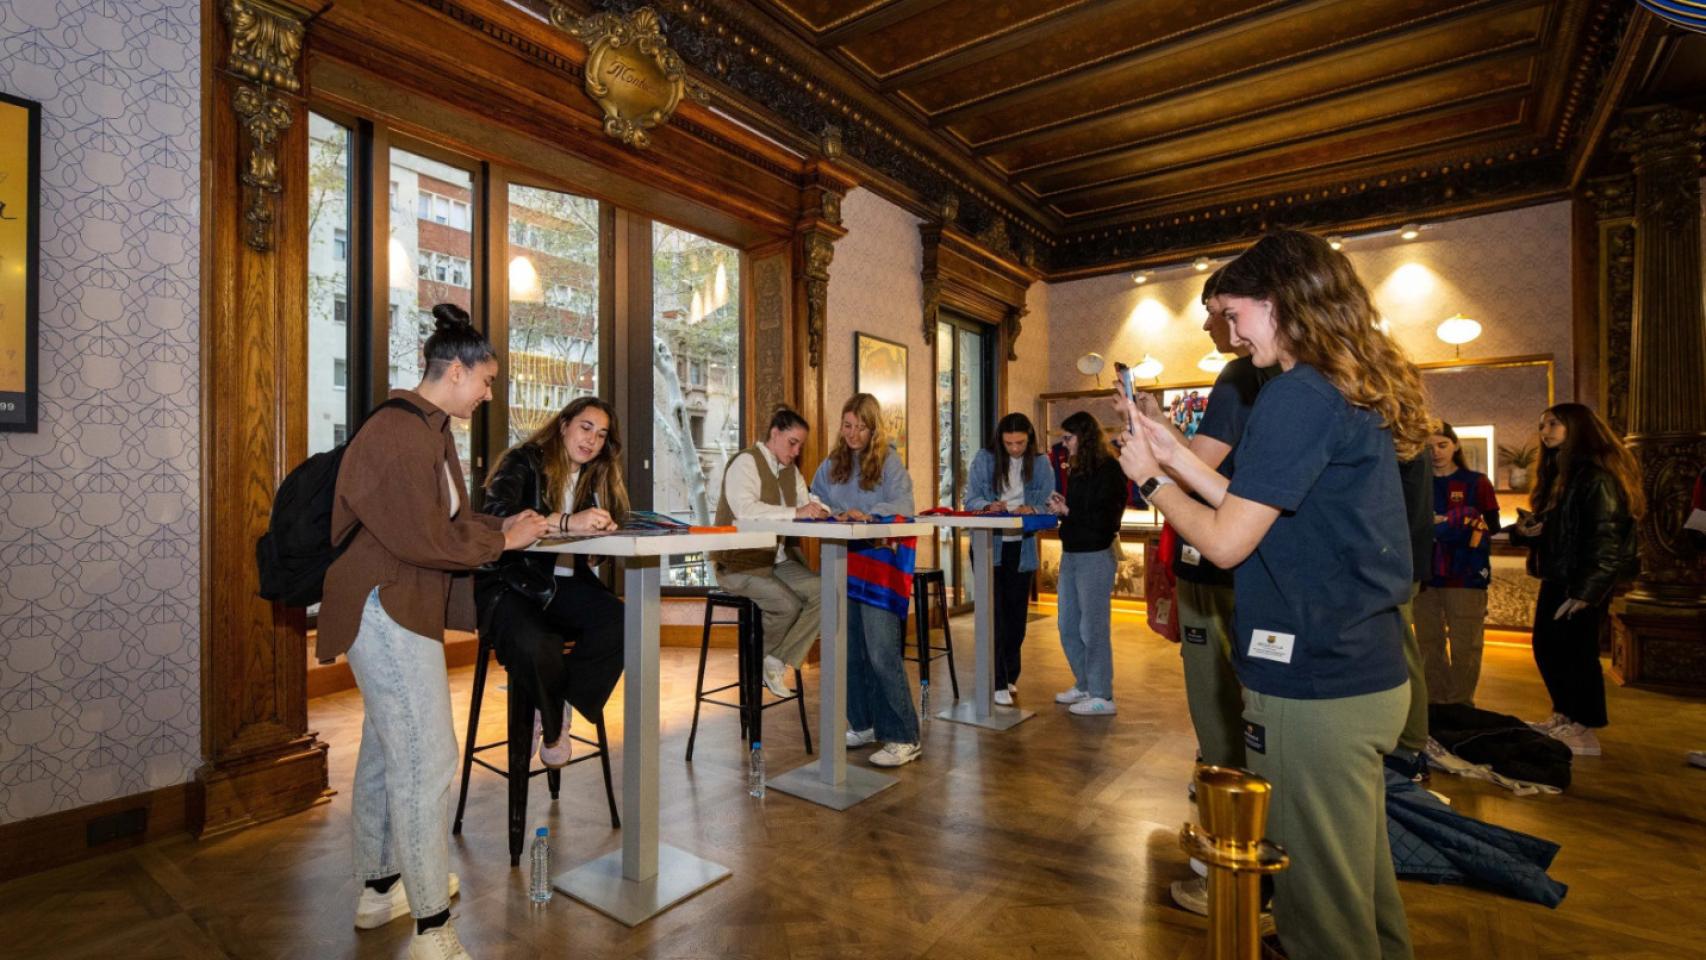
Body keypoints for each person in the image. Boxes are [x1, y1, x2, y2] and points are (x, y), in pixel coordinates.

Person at [1116, 230, 1427, 960]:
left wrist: (1151, 481)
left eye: (1234, 313)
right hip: (1363, 669)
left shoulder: (1295, 395)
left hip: (1315, 681)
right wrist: (1169, 452)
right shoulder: (1334, 386)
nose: (1229, 332)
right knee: (1361, 892)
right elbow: (1257, 502)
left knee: (1319, 913)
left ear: (1278, 301)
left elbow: (1226, 541)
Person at [318, 304, 554, 960]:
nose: (488, 393)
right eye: (485, 381)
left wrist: (504, 532)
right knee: (429, 758)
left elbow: (445, 524)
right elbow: (426, 536)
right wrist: (503, 539)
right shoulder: (401, 433)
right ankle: (431, 929)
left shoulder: (430, 429)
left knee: (388, 749)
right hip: (384, 606)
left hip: (399, 603)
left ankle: (379, 889)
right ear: (454, 371)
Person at [1139, 271, 1277, 917]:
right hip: (1264, 572)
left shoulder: (1239, 380)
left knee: (1222, 708)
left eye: (1215, 312)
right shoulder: (1289, 384)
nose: (1206, 326)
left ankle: (1232, 858)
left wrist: (1150, 464)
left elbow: (1198, 476)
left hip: (1219, 566)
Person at [476, 397, 629, 769]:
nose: (592, 440)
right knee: (536, 644)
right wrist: (567, 522)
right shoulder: (524, 460)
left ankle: (555, 704)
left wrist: (598, 545)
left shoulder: (593, 475)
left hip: (562, 585)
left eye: (601, 434)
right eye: (586, 427)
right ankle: (548, 708)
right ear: (564, 425)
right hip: (514, 582)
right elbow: (495, 514)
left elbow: (600, 532)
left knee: (622, 621)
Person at [1510, 402, 1642, 757]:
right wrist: (1528, 530)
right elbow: (1564, 530)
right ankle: (1565, 715)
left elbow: (1606, 538)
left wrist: (1588, 591)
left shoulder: (1597, 478)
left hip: (1580, 581)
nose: (1545, 431)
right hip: (1561, 576)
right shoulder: (1561, 475)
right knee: (1549, 648)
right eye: (1542, 424)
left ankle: (1584, 731)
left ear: (1577, 427)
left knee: (1577, 654)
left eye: (1554, 423)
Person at [810, 393, 922, 767]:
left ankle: (904, 735)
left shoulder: (889, 461)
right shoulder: (832, 463)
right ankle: (863, 723)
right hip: (842, 562)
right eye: (847, 426)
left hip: (879, 563)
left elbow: (905, 506)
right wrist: (830, 513)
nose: (853, 434)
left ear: (873, 428)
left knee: (880, 651)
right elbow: (815, 499)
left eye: (860, 427)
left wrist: (867, 513)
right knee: (848, 649)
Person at [713, 406, 831, 698]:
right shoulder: (745, 463)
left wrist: (825, 512)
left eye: (800, 445)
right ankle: (754, 661)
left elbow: (809, 502)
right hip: (738, 565)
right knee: (787, 604)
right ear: (774, 433)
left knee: (828, 592)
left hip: (775, 561)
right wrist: (797, 511)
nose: (796, 451)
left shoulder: (791, 472)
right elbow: (746, 511)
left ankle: (776, 660)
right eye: (792, 442)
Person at [964, 412, 1056, 706]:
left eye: (1019, 443)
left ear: (1029, 441)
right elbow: (971, 500)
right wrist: (989, 505)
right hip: (990, 544)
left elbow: (1048, 501)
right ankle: (996, 680)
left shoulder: (1041, 463)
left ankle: (1010, 674)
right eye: (1008, 443)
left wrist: (1033, 508)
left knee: (1016, 618)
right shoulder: (984, 458)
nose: (1014, 448)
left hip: (1022, 546)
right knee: (994, 614)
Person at [1047, 411, 1129, 716]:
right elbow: (1080, 512)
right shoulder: (1079, 469)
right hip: (1072, 553)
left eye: (1068, 438)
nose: (1064, 444)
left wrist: (1069, 512)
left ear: (1084, 436)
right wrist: (1064, 509)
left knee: (1092, 627)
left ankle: (1102, 694)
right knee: (1067, 624)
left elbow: (1107, 520)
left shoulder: (1110, 469)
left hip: (1095, 555)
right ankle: (1083, 683)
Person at [1414, 422, 1501, 707]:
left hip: (1466, 575)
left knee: (1467, 645)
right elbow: (1409, 527)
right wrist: (1456, 521)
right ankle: (1436, 705)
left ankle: (1462, 705)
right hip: (1425, 576)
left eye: (1442, 445)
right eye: (1429, 447)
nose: (1436, 452)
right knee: (1428, 644)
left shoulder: (1476, 482)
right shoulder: (1416, 483)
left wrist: (1445, 523)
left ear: (1456, 446)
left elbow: (1491, 525)